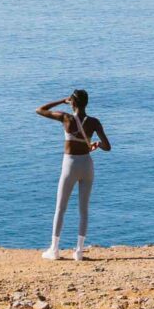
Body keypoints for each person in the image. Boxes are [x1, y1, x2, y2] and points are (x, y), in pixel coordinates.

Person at [36, 89, 110, 260]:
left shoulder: (66, 118)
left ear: (73, 103)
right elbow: (107, 147)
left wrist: (62, 100)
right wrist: (96, 144)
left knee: (60, 208)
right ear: (87, 103)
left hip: (70, 165)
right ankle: (79, 251)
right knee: (83, 210)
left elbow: (40, 110)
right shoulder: (94, 122)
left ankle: (54, 249)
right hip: (87, 165)